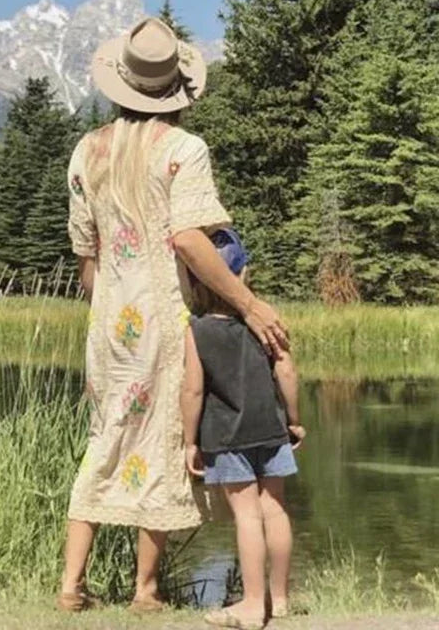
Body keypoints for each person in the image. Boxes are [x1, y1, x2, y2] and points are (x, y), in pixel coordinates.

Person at [59, 16, 289, 613]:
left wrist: (108, 307)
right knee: (160, 446)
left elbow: (88, 256)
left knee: (105, 439)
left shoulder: (87, 151)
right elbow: (190, 239)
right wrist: (249, 304)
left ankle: (70, 585)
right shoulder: (184, 150)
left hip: (109, 323)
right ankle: (145, 590)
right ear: (175, 92)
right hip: (163, 318)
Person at [180, 228, 305, 629]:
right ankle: (280, 598)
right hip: (270, 428)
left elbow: (193, 389)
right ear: (244, 274)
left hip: (226, 435)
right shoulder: (264, 320)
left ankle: (252, 605)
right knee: (275, 509)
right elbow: (285, 369)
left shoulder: (197, 330)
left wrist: (188, 441)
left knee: (247, 515)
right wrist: (294, 419)